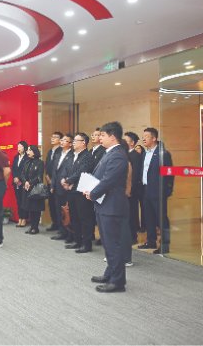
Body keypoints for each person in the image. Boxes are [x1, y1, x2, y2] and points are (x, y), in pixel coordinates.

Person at [84, 121, 129, 293]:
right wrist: (89, 189)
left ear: (112, 136)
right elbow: (100, 176)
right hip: (104, 204)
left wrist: (92, 193)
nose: (99, 138)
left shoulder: (118, 155)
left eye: (102, 135)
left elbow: (109, 180)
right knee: (108, 243)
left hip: (112, 206)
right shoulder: (109, 152)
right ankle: (110, 273)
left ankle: (118, 282)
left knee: (113, 244)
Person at [138, 127, 174, 255]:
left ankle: (165, 245)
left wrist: (167, 191)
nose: (143, 139)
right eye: (143, 137)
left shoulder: (163, 153)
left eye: (146, 137)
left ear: (154, 138)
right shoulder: (145, 153)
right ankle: (151, 241)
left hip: (158, 191)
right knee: (148, 217)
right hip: (146, 190)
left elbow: (169, 174)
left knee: (161, 219)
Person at [62, 132, 95, 253]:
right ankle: (77, 241)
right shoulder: (73, 155)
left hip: (82, 191)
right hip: (71, 191)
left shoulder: (87, 156)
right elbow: (67, 170)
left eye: (76, 140)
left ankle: (87, 244)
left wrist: (68, 181)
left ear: (84, 143)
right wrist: (65, 179)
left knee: (84, 218)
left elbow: (82, 172)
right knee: (74, 217)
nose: (73, 142)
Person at [50, 134, 74, 242]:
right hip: (57, 187)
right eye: (62, 140)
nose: (62, 142)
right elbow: (54, 172)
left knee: (67, 211)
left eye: (65, 140)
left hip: (66, 187)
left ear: (70, 144)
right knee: (58, 210)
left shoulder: (72, 155)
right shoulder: (58, 154)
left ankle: (69, 233)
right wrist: (52, 185)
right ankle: (61, 231)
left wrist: (67, 182)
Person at [20, 145, 45, 234]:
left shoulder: (40, 163)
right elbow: (22, 174)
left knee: (36, 209)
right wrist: (25, 182)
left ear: (34, 152)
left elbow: (39, 176)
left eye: (30, 150)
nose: (27, 152)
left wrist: (30, 183)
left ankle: (35, 227)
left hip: (35, 188)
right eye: (27, 150)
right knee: (29, 207)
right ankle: (31, 227)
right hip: (27, 188)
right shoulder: (27, 162)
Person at [124, 131, 144, 241]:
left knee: (132, 213)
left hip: (131, 190)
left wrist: (130, 189)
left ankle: (133, 237)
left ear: (132, 143)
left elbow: (135, 175)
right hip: (126, 189)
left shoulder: (135, 155)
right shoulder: (126, 154)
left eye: (125, 141)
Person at [44, 132, 63, 231]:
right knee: (51, 203)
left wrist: (53, 180)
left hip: (58, 182)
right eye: (52, 136)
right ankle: (54, 223)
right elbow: (47, 165)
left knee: (58, 204)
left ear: (60, 140)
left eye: (55, 137)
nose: (52, 138)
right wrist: (47, 176)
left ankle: (61, 225)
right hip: (49, 181)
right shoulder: (50, 151)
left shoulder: (61, 151)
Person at [12, 141, 29, 227]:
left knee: (24, 201)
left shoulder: (27, 158)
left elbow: (25, 170)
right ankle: (20, 218)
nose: (18, 148)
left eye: (20, 146)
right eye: (18, 146)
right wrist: (15, 177)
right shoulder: (16, 157)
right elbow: (13, 168)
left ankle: (24, 218)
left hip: (24, 182)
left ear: (24, 148)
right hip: (16, 183)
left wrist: (19, 179)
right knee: (18, 201)